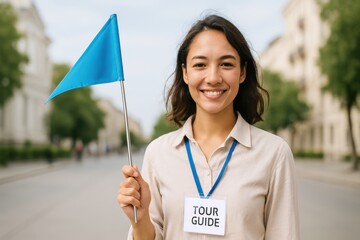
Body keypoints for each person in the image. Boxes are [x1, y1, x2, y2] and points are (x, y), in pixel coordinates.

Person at [118, 14, 300, 240]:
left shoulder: (274, 153)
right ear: (185, 72)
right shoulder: (158, 153)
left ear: (242, 72)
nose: (213, 78)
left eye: (226, 64)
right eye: (200, 65)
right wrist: (140, 218)